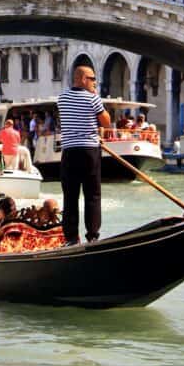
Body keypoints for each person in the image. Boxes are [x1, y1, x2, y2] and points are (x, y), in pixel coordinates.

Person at [56, 65, 111, 245]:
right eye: (93, 79)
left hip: (69, 151)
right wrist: (96, 99)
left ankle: (71, 238)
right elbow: (106, 122)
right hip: (89, 151)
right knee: (92, 194)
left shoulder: (62, 98)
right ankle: (92, 236)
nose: (95, 82)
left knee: (70, 196)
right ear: (82, 79)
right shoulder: (93, 99)